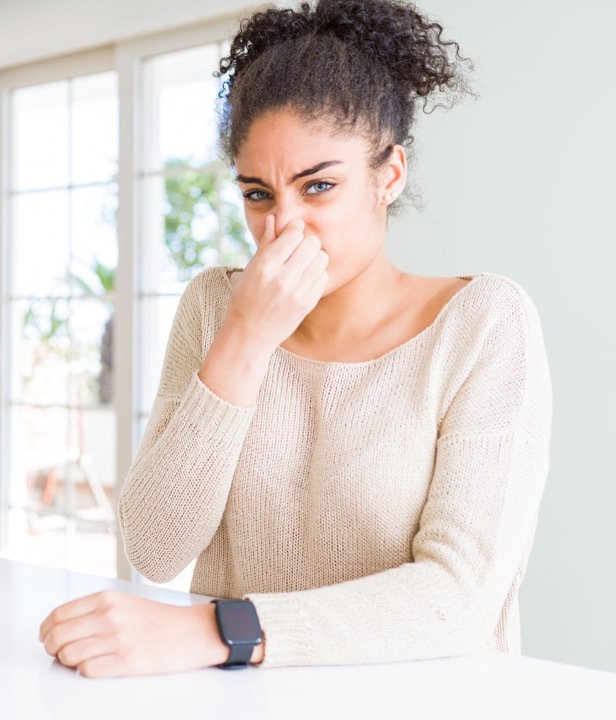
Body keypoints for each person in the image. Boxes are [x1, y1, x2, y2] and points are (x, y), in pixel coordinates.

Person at [39, 0, 551, 677]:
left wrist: (222, 631)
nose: (284, 228)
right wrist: (245, 339)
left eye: (318, 187)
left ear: (388, 176)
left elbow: (458, 599)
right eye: (258, 194)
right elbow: (157, 546)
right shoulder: (214, 306)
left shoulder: (484, 324)